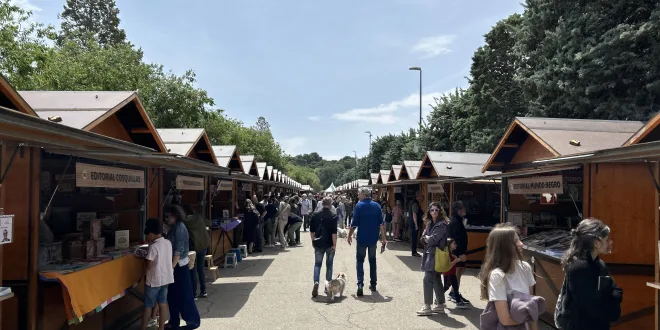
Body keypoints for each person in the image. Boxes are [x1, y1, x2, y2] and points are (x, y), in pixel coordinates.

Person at [561, 218, 622, 329]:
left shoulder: (599, 264)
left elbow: (617, 291)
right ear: (596, 243)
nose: (610, 242)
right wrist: (610, 303)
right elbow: (591, 305)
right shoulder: (579, 267)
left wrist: (608, 297)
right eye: (607, 239)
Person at [478, 223, 536, 330]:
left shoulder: (526, 268)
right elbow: (505, 319)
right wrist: (527, 317)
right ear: (504, 247)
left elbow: (531, 308)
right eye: (516, 241)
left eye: (520, 239)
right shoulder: (497, 276)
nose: (521, 244)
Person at [163, 205, 200, 330]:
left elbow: (178, 251)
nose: (166, 219)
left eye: (168, 216)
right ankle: (174, 321)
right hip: (175, 265)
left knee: (184, 295)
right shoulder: (173, 227)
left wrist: (171, 267)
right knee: (172, 295)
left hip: (179, 266)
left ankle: (193, 321)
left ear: (175, 216)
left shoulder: (179, 228)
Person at [348, 187, 386, 296]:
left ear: (364, 194)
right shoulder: (377, 206)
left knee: (360, 261)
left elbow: (354, 223)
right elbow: (381, 224)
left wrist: (349, 235)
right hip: (373, 239)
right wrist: (384, 238)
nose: (358, 195)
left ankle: (360, 284)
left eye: (359, 193)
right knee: (372, 261)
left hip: (361, 238)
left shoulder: (359, 206)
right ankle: (373, 284)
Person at [417, 202, 449, 316]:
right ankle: (440, 305)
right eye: (432, 210)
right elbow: (422, 238)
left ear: (440, 211)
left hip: (436, 254)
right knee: (436, 279)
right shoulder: (430, 223)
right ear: (429, 212)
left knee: (427, 279)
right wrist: (426, 238)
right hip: (429, 253)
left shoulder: (442, 224)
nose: (434, 212)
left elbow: (433, 239)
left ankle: (427, 306)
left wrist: (427, 238)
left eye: (436, 210)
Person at [141, 218, 173, 330]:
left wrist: (143, 258)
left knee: (148, 306)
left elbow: (149, 265)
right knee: (162, 303)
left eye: (147, 236)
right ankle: (161, 328)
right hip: (165, 279)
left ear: (152, 234)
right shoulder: (168, 243)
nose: (147, 238)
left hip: (153, 281)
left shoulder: (153, 246)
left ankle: (143, 328)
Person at [310, 197, 338, 297]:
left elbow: (312, 230)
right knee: (329, 265)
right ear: (330, 204)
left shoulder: (315, 214)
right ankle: (327, 286)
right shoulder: (333, 215)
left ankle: (316, 282)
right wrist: (334, 245)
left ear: (322, 203)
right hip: (329, 243)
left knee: (317, 264)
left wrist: (313, 240)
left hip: (318, 242)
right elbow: (334, 232)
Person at [182, 205, 211, 299]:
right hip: (203, 246)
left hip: (193, 248)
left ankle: (193, 294)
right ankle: (203, 290)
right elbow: (209, 223)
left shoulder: (184, 222)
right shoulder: (199, 217)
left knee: (192, 271)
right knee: (201, 268)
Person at [448, 200, 469, 304]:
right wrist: (461, 253)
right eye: (463, 208)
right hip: (457, 251)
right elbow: (456, 238)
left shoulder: (458, 220)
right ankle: (453, 293)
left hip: (459, 250)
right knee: (457, 271)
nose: (464, 209)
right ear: (458, 210)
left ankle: (454, 291)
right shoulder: (455, 221)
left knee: (460, 271)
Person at [442, 238, 468, 309]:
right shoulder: (447, 254)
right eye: (454, 243)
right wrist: (457, 260)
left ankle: (458, 302)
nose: (455, 245)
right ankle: (438, 299)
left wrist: (458, 259)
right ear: (449, 245)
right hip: (447, 274)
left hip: (452, 273)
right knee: (446, 287)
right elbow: (449, 265)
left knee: (455, 287)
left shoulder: (453, 254)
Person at [409, 191, 424, 257]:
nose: (422, 197)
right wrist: (416, 224)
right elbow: (414, 214)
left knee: (414, 237)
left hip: (413, 222)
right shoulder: (415, 203)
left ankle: (414, 251)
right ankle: (414, 252)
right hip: (414, 223)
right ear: (417, 197)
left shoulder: (414, 202)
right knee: (414, 237)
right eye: (421, 196)